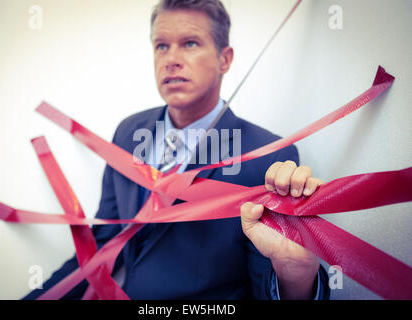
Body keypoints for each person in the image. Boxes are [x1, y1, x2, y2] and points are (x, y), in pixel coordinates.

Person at [24, 0, 329, 300]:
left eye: (190, 43)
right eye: (161, 46)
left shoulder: (268, 155)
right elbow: (103, 246)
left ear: (225, 59)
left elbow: (266, 283)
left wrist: (296, 278)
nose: (171, 59)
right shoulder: (129, 132)